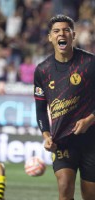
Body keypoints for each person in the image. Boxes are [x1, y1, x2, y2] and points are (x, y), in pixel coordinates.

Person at [34, 14, 95, 200]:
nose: (62, 34)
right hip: (63, 140)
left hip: (92, 140)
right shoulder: (42, 70)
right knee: (65, 186)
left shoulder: (90, 63)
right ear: (50, 37)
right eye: (56, 31)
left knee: (90, 195)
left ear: (73, 35)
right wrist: (46, 136)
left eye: (66, 30)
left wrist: (89, 120)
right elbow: (40, 110)